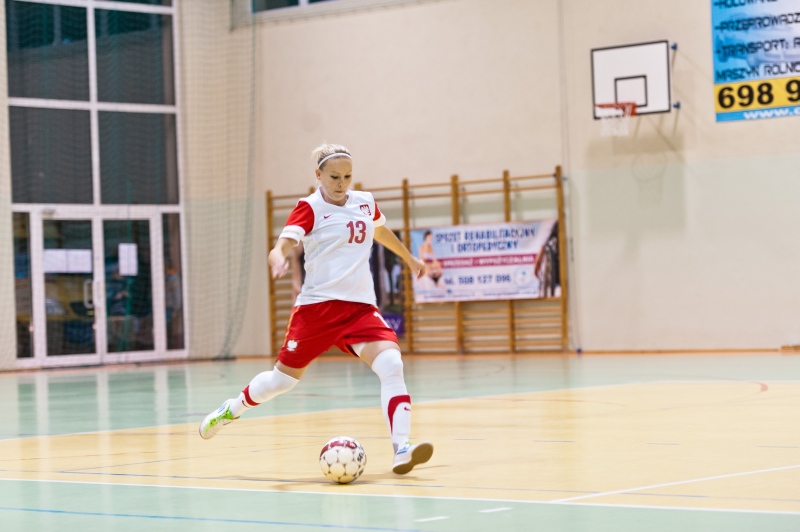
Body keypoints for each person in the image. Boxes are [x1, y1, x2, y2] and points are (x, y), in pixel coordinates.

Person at [199, 143, 434, 475]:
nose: (342, 183)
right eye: (335, 176)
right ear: (319, 175)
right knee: (281, 381)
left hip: (359, 308)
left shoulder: (364, 203)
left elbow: (380, 230)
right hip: (317, 310)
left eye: (348, 176)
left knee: (392, 364)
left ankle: (402, 449)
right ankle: (231, 409)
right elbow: (283, 245)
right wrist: (278, 256)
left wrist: (409, 258)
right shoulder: (308, 208)